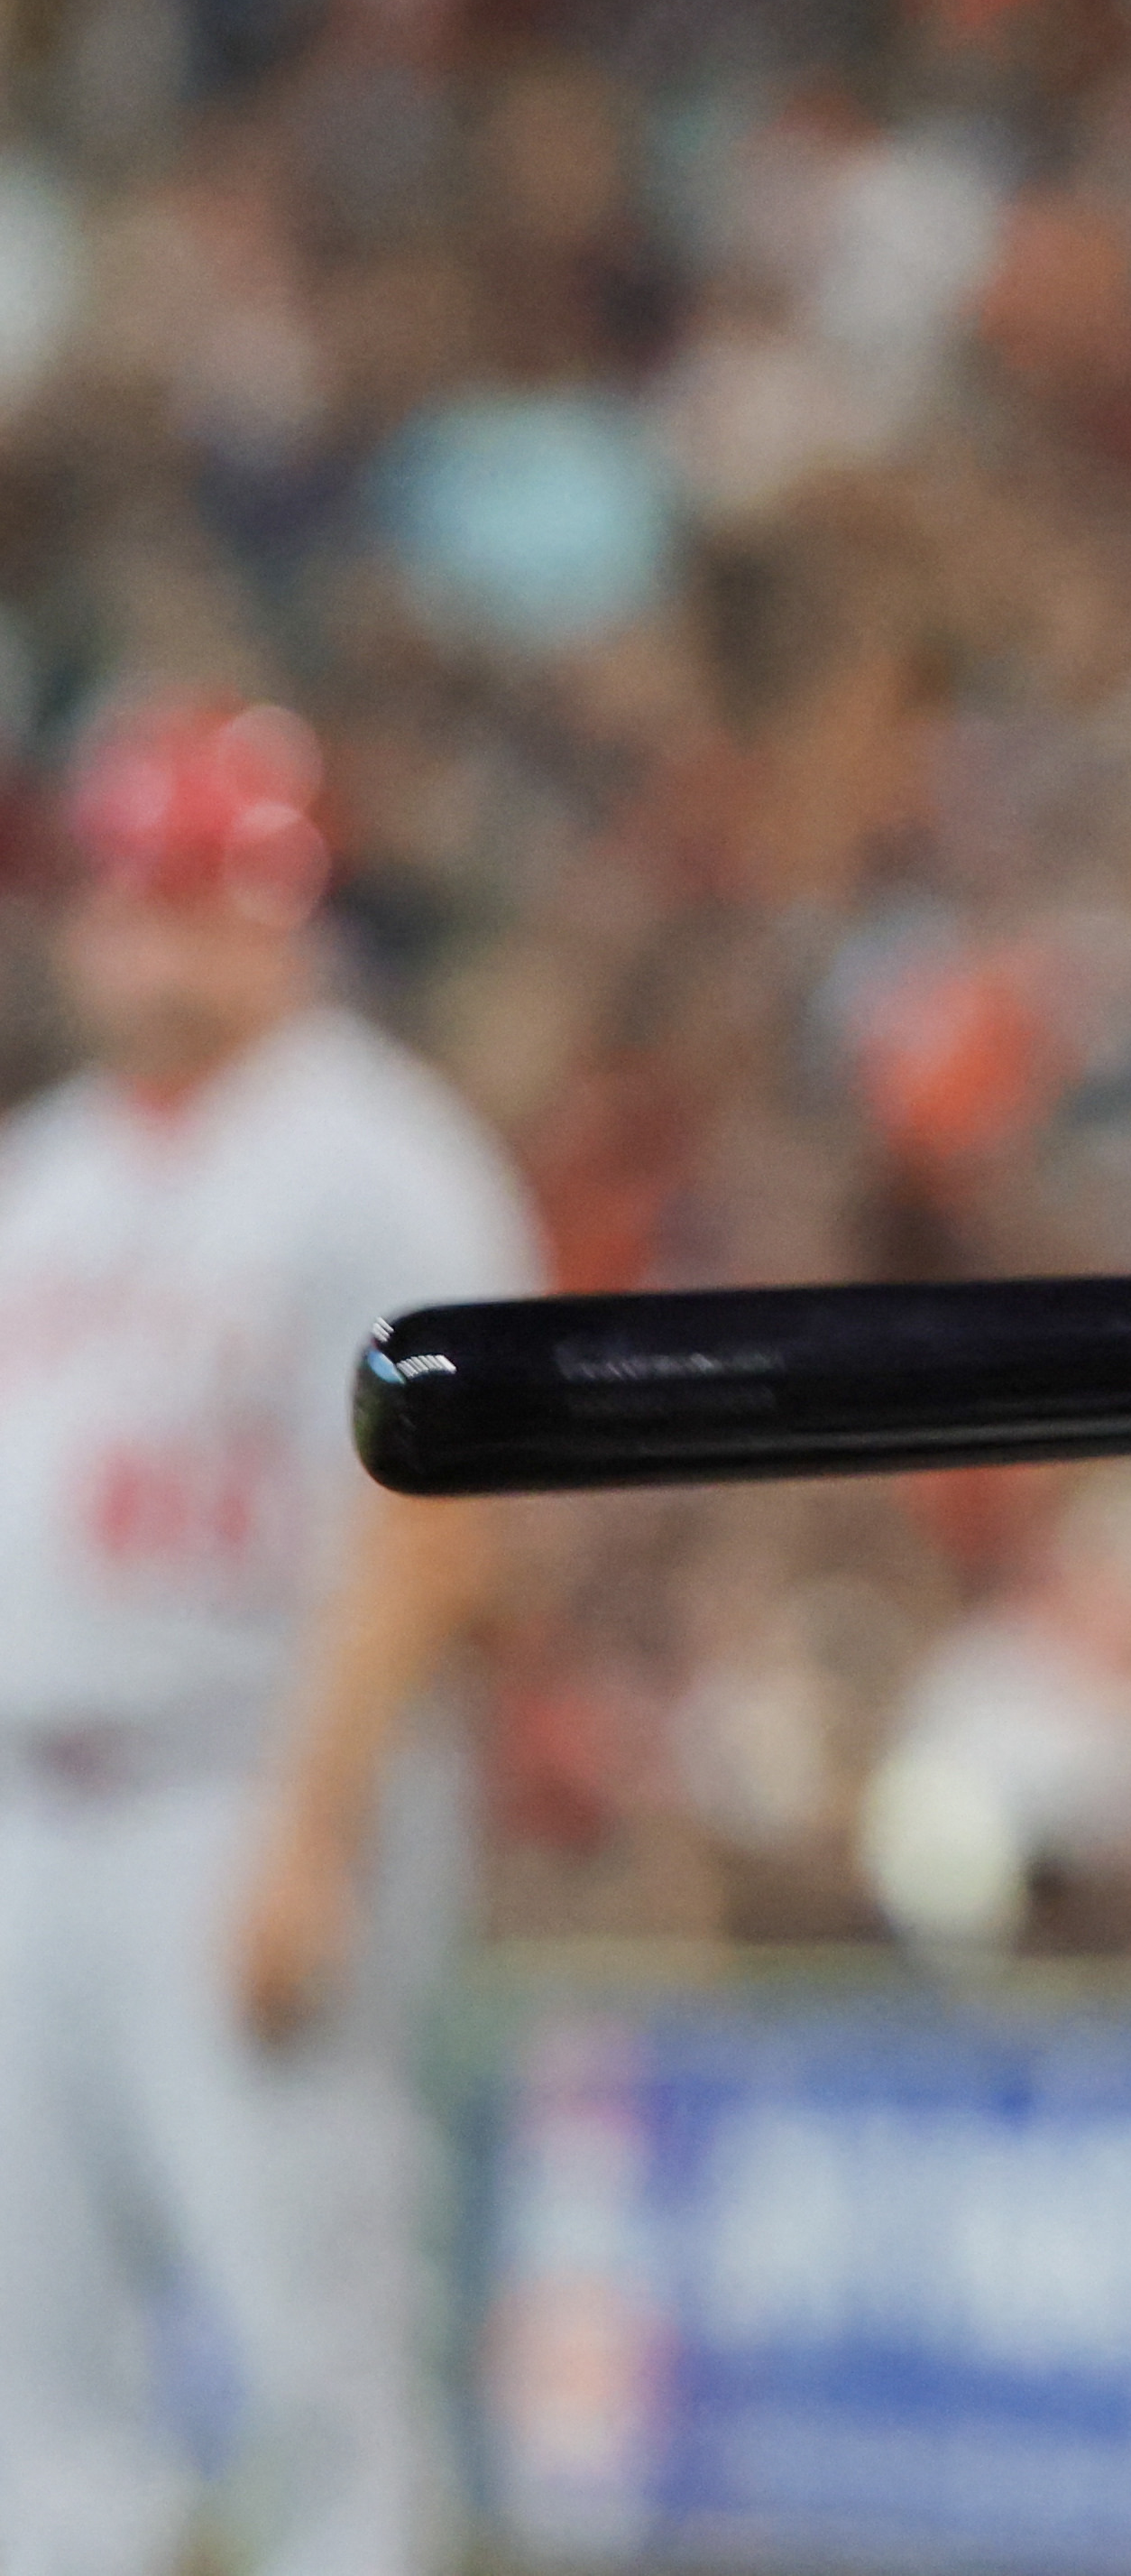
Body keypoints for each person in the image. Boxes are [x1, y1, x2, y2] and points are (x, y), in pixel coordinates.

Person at [0, 700, 532, 2576]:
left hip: (247, 1779)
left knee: (316, 2335)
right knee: (30, 2366)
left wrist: (309, 1829)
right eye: (137, 892)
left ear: (286, 912)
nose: (163, 933)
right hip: (36, 1801)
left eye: (208, 894)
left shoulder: (378, 1158)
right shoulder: (50, 1170)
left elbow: (431, 1521)